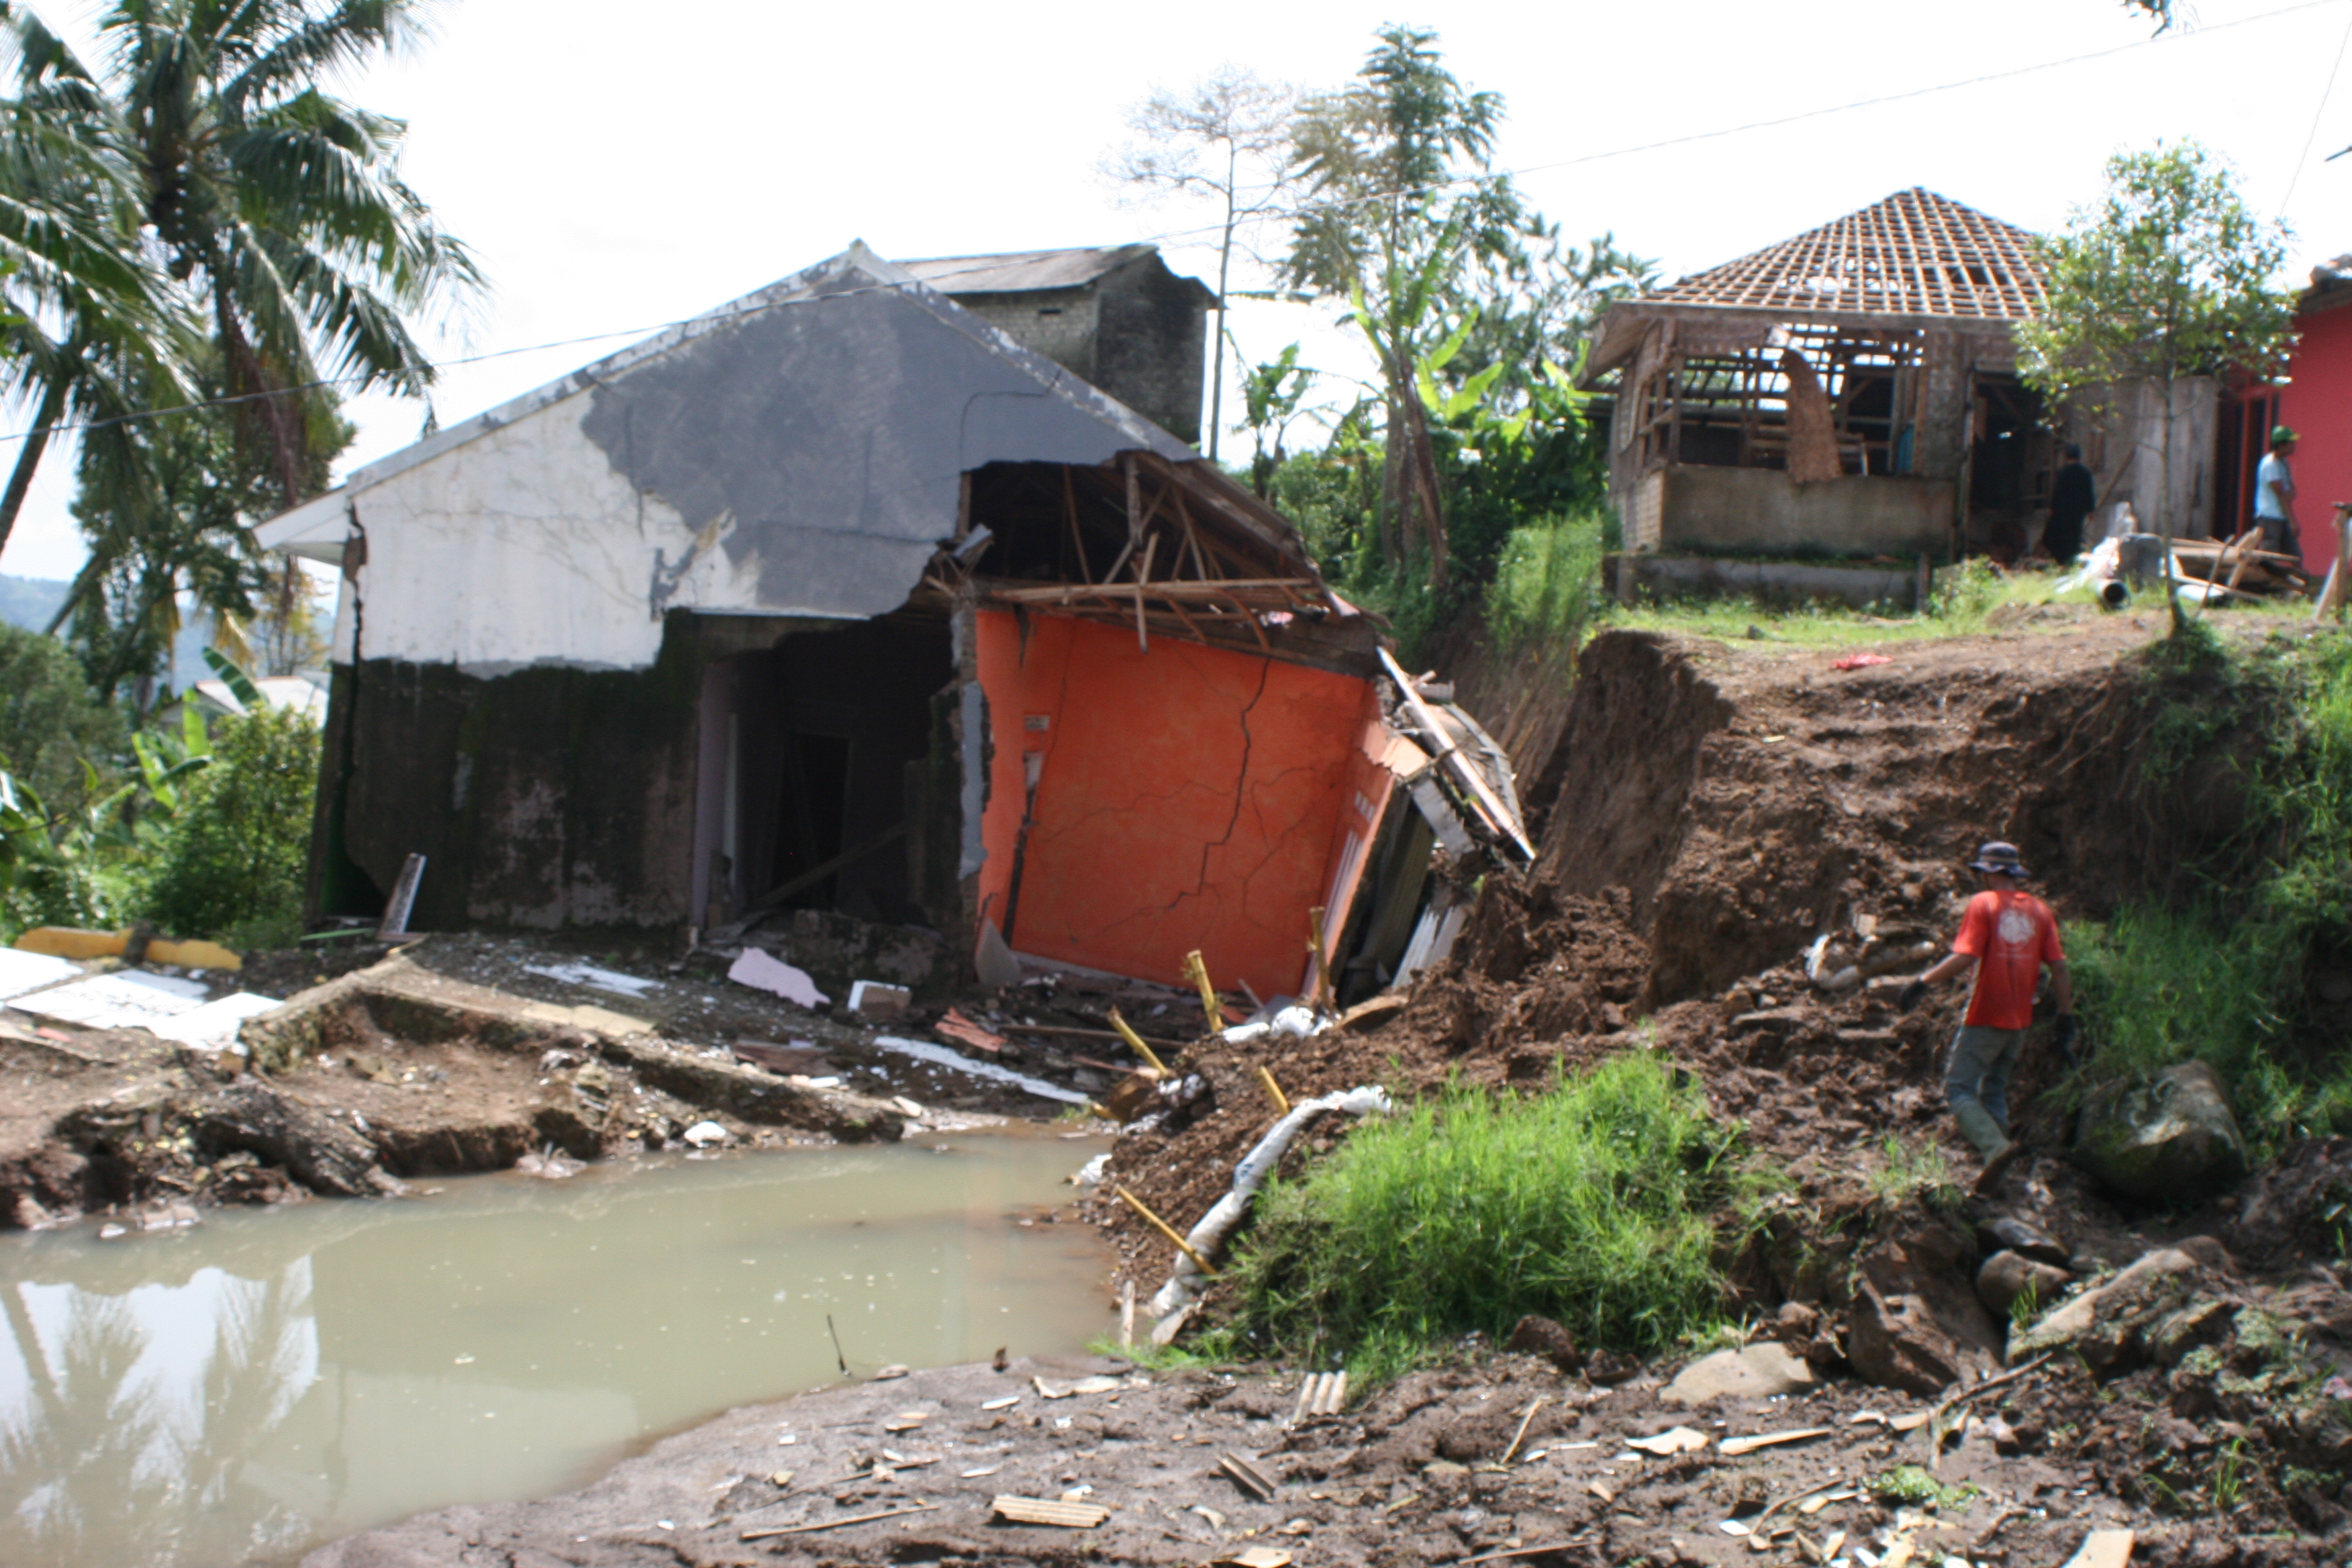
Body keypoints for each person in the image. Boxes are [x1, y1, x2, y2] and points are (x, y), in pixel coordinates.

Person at [1897, 842, 2076, 1193]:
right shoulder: (2040, 911)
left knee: (1958, 1089)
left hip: (1986, 1014)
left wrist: (1922, 982)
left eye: (1981, 872)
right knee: (1994, 1090)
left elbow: (1965, 956)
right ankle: (2000, 1178)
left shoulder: (1985, 904)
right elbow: (2059, 967)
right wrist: (2065, 1015)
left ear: (1990, 873)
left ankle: (1994, 1148)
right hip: (2020, 1021)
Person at [2255, 425, 2301, 559]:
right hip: (2270, 518)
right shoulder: (2271, 464)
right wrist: (2293, 521)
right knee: (2269, 557)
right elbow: (2282, 496)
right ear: (2281, 445)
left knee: (2296, 556)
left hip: (2282, 516)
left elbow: (2291, 490)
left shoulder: (2283, 462)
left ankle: (2297, 574)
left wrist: (2290, 494)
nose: (2294, 445)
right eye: (2291, 443)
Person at [2045, 444, 2095, 564]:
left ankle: (2061, 561)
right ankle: (2072, 560)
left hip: (2062, 512)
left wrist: (2052, 509)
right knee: (2075, 536)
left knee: (2061, 537)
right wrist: (2091, 510)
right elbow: (2089, 493)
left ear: (2066, 456)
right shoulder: (2085, 473)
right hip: (2078, 513)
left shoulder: (2063, 473)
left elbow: (2057, 493)